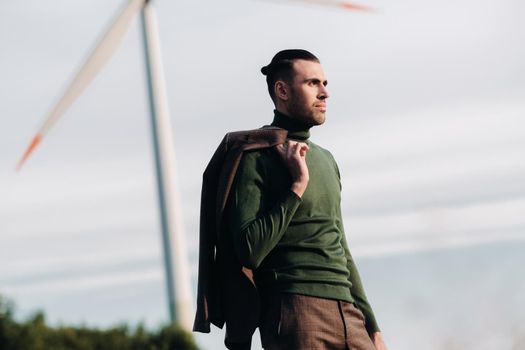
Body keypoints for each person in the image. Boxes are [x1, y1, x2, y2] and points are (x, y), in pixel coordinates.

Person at [224, 49, 388, 350]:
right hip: (297, 312)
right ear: (282, 90)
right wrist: (297, 187)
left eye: (325, 83)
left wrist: (372, 325)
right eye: (313, 83)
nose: (325, 93)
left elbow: (340, 245)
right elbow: (249, 249)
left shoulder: (326, 159)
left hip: (349, 313)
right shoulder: (256, 155)